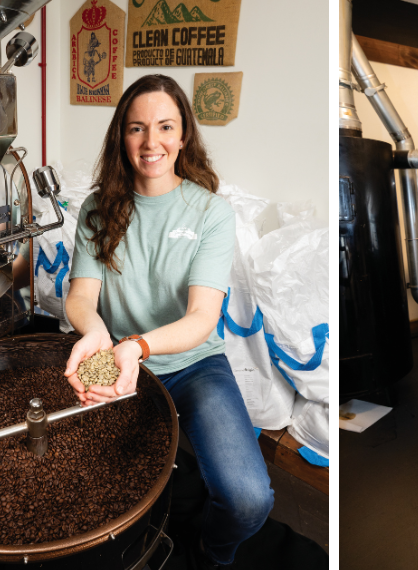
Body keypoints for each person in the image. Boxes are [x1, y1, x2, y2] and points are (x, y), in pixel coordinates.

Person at [62, 74, 273, 568]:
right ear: (121, 136)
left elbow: (202, 317)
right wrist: (94, 331)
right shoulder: (98, 207)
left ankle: (210, 552)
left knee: (248, 500)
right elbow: (80, 296)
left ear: (183, 137)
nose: (151, 142)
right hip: (112, 357)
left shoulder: (210, 213)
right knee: (76, 479)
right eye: (137, 128)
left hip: (193, 365)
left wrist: (136, 346)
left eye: (164, 127)